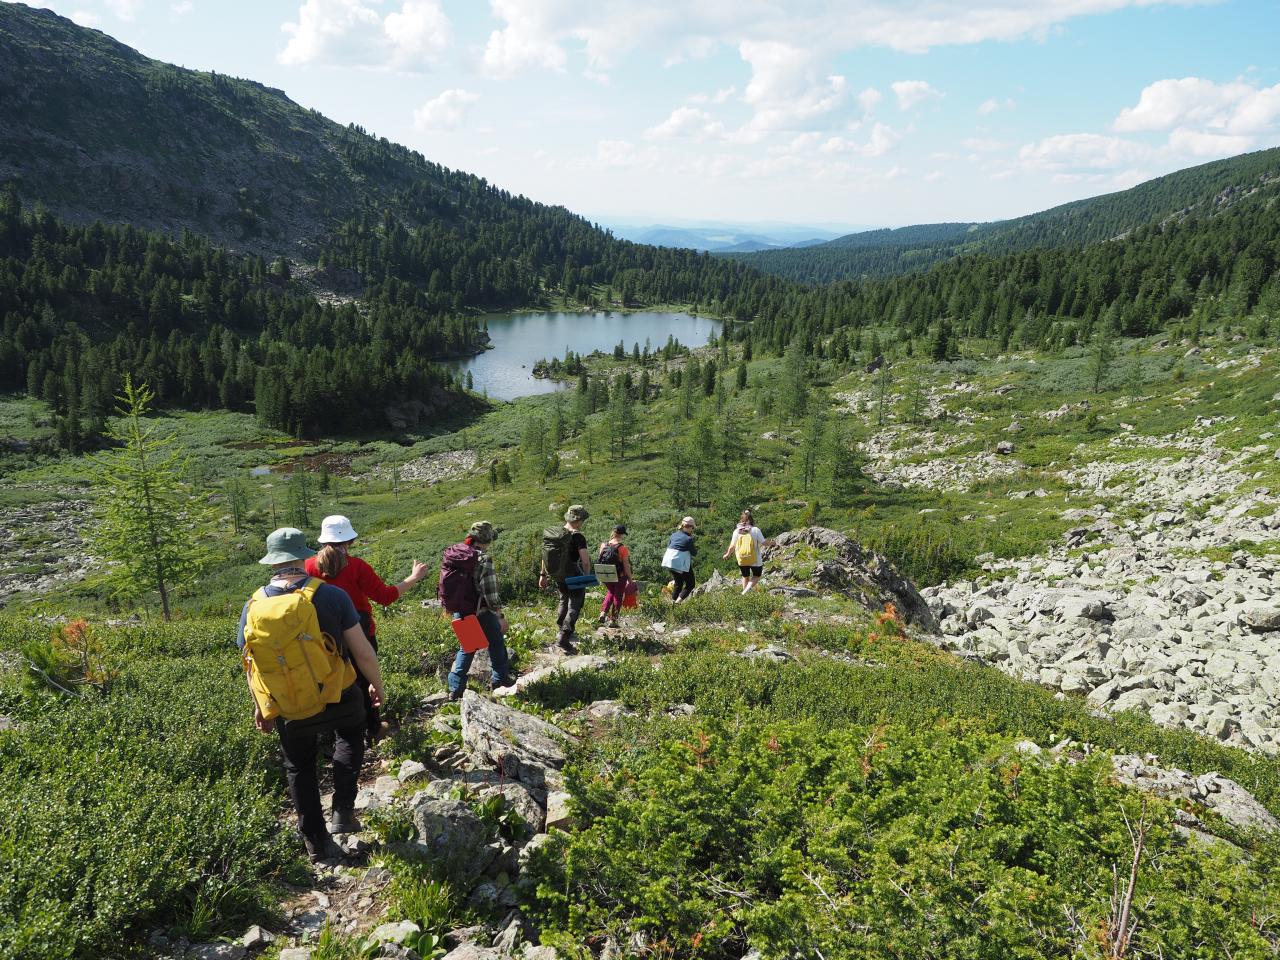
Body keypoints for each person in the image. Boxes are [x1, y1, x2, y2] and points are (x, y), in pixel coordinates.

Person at [238, 527, 384, 863]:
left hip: (290, 705)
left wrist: (261, 706)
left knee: (299, 766)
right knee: (350, 735)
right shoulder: (330, 595)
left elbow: (250, 665)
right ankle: (343, 813)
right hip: (339, 694)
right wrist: (376, 684)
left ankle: (317, 845)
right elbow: (361, 651)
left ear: (271, 562)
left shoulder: (253, 606)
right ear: (302, 555)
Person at [305, 515, 427, 745]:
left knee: (329, 682)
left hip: (323, 639)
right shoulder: (357, 566)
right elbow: (386, 597)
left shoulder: (308, 567)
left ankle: (333, 736)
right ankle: (373, 728)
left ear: (323, 540)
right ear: (349, 541)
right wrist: (413, 578)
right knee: (363, 681)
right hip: (360, 633)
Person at [442, 521, 515, 700]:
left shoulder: (457, 554)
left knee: (467, 647)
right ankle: (500, 680)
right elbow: (490, 591)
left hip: (462, 609)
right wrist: (499, 615)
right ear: (488, 539)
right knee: (496, 642)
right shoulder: (483, 559)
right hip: (481, 611)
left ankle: (455, 688)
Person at [540, 504, 592, 652]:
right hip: (573, 574)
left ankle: (560, 626)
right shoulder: (578, 536)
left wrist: (542, 574)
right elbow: (585, 561)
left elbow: (544, 556)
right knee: (575, 605)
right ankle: (564, 637)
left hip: (558, 574)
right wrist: (586, 578)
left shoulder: (555, 534)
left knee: (563, 598)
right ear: (579, 520)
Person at [722, 509, 766, 594]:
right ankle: (745, 591)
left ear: (741, 520)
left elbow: (732, 546)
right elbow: (764, 543)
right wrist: (772, 543)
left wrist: (727, 554)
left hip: (742, 558)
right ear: (751, 520)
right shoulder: (755, 530)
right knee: (756, 576)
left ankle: (744, 595)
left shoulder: (737, 531)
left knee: (745, 576)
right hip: (755, 559)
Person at [597, 524, 633, 628]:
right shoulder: (623, 548)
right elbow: (626, 566)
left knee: (611, 592)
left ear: (613, 533)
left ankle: (603, 613)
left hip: (606, 574)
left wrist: (601, 577)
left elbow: (600, 560)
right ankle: (613, 620)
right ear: (622, 535)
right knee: (618, 596)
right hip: (619, 576)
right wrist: (630, 580)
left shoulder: (604, 545)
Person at [663, 516, 698, 603]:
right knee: (691, 584)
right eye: (692, 528)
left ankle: (672, 604)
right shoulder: (689, 539)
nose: (692, 530)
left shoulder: (673, 535)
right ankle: (677, 603)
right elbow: (694, 553)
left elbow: (670, 546)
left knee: (678, 584)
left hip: (669, 561)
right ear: (690, 527)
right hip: (680, 562)